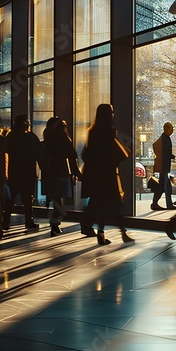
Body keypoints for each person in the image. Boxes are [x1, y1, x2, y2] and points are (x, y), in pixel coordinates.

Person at [81, 103, 133, 245]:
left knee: (101, 204)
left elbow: (87, 154)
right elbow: (121, 153)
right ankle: (122, 233)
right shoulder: (109, 131)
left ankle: (102, 233)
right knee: (115, 205)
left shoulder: (92, 131)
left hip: (97, 175)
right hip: (109, 174)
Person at [40, 117, 80, 237]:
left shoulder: (47, 140)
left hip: (49, 173)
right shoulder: (64, 139)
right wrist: (76, 172)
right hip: (61, 171)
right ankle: (54, 221)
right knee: (59, 199)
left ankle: (54, 222)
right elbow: (72, 156)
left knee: (55, 198)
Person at [4, 114, 42, 230]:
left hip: (14, 172)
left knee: (10, 200)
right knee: (28, 199)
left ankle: (5, 221)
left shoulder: (11, 137)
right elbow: (38, 155)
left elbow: (5, 150)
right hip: (28, 172)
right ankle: (28, 221)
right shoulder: (32, 138)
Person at [151, 122, 176, 210]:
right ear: (167, 129)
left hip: (163, 166)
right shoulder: (166, 139)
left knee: (162, 186)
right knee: (165, 186)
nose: (173, 130)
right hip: (164, 166)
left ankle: (156, 204)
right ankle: (166, 204)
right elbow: (166, 153)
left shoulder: (164, 138)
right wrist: (173, 156)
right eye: (172, 128)